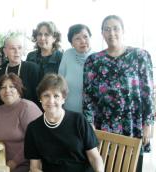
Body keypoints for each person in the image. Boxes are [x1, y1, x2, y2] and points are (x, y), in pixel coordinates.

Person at [83, 15, 154, 172]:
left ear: (123, 31)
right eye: (107, 29)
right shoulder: (93, 61)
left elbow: (148, 93)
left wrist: (148, 124)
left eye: (115, 28)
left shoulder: (140, 56)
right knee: (107, 166)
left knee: (133, 166)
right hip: (104, 126)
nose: (111, 33)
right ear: (102, 33)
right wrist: (90, 124)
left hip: (133, 124)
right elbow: (88, 97)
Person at [24, 74, 104, 172]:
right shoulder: (33, 128)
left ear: (63, 99)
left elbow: (94, 158)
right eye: (46, 95)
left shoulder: (79, 120)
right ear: (40, 98)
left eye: (56, 96)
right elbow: (35, 167)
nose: (51, 100)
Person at [0, 73, 42, 172]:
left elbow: (34, 142)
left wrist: (14, 162)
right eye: (3, 87)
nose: (7, 90)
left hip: (22, 165)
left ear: (19, 90)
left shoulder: (27, 108)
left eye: (12, 86)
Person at [0, 34, 41, 108]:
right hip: (6, 113)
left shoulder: (32, 68)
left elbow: (39, 96)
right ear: (5, 51)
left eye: (19, 48)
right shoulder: (0, 71)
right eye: (12, 48)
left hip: (28, 112)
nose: (17, 51)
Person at [58, 24, 94, 114]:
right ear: (72, 43)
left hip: (92, 111)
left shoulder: (97, 57)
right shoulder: (67, 54)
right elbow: (59, 81)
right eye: (77, 38)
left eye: (85, 37)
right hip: (69, 109)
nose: (83, 41)